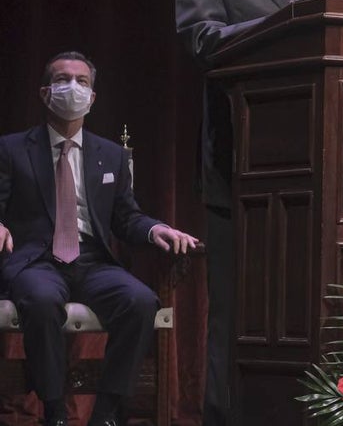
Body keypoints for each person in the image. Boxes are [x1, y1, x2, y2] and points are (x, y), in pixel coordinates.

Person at [173, 0, 343, 425]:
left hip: (320, 157)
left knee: (310, 306)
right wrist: (292, 25)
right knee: (237, 309)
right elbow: (202, 38)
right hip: (244, 156)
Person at [0, 52, 199, 426]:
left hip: (92, 261)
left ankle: (106, 414)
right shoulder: (12, 149)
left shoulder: (110, 154)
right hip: (36, 260)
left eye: (82, 81)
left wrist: (157, 229)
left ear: (92, 98)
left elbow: (126, 217)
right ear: (45, 93)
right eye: (62, 79)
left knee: (140, 301)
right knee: (41, 301)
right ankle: (55, 412)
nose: (72, 87)